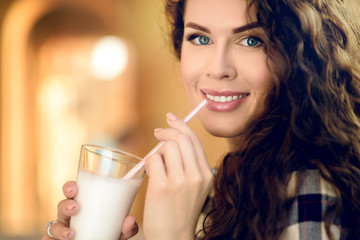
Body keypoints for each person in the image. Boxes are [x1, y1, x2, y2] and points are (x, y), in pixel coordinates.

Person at [43, 0, 360, 239]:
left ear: (297, 55)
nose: (217, 67)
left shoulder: (310, 192)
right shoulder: (215, 191)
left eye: (251, 40)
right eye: (200, 38)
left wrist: (171, 235)